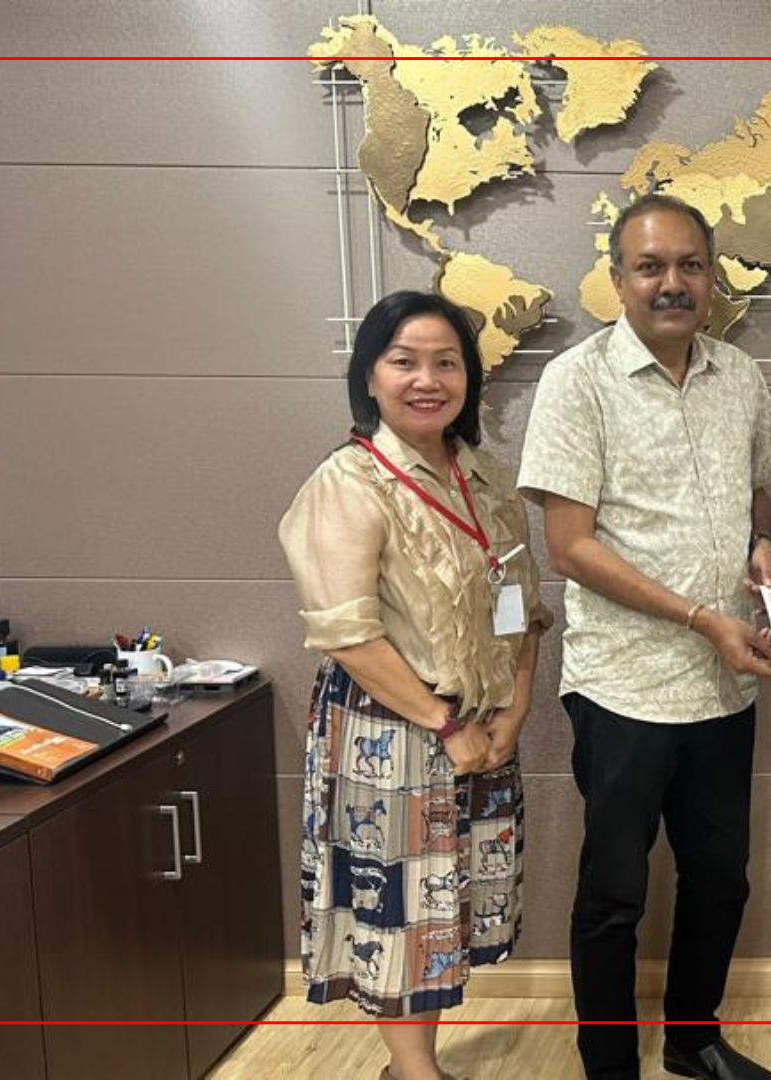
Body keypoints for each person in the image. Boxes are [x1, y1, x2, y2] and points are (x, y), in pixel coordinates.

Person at [518, 193, 771, 1080]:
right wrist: (699, 617)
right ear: (617, 279)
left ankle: (692, 1040)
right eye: (650, 267)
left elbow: (759, 489)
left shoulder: (739, 375)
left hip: (724, 686)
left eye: (689, 265)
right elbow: (569, 546)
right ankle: (609, 1066)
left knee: (721, 878)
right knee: (614, 892)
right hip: (623, 686)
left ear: (711, 277)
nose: (671, 283)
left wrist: (761, 543)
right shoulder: (577, 381)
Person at [280, 290, 551, 1080]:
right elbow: (349, 635)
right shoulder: (349, 482)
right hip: (392, 728)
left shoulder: (485, 477)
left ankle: (412, 1066)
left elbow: (522, 607)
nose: (427, 380)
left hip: (481, 723)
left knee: (444, 905)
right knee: (399, 909)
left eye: (446, 362)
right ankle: (415, 1073)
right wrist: (445, 723)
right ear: (370, 376)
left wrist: (515, 707)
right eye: (404, 362)